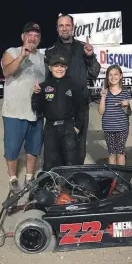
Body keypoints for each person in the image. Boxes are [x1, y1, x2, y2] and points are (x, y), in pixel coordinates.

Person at [44, 13, 101, 165]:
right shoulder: (51, 51)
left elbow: (95, 71)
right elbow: (47, 81)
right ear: (57, 29)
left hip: (80, 106)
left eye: (67, 25)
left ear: (73, 27)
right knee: (58, 149)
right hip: (59, 107)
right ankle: (61, 183)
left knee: (79, 148)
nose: (64, 28)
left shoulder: (83, 48)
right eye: (61, 26)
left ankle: (76, 182)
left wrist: (90, 57)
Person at [1, 22, 46, 193]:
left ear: (39, 39)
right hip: (14, 111)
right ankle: (13, 178)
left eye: (36, 35)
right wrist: (21, 56)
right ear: (23, 36)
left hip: (35, 112)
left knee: (34, 147)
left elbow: (45, 83)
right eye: (30, 34)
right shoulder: (11, 52)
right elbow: (6, 72)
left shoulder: (43, 58)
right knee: (12, 148)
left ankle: (29, 177)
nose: (32, 38)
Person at [31, 54, 85, 171]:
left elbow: (81, 108)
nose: (59, 69)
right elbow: (37, 108)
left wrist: (77, 126)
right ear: (50, 68)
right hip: (51, 128)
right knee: (50, 163)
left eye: (62, 66)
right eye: (56, 66)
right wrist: (36, 95)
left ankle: (71, 188)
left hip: (69, 127)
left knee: (71, 162)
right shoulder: (44, 86)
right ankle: (53, 188)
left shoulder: (74, 86)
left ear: (66, 68)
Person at [98, 65, 131, 166]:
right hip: (108, 127)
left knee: (120, 153)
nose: (113, 77)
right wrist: (103, 97)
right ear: (107, 77)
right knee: (112, 153)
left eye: (116, 74)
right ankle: (113, 179)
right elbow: (101, 112)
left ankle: (121, 177)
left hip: (122, 128)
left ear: (121, 76)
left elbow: (129, 113)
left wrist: (128, 105)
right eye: (110, 75)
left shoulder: (126, 92)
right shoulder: (105, 92)